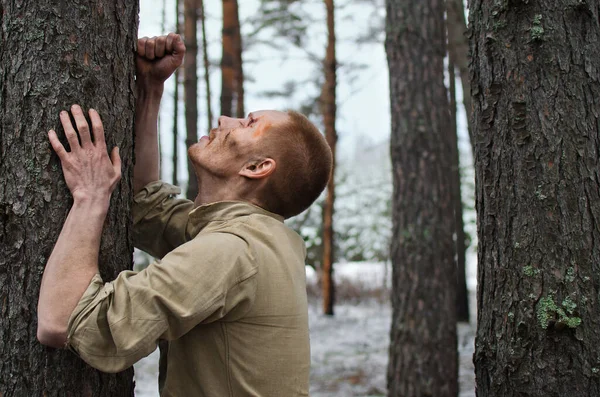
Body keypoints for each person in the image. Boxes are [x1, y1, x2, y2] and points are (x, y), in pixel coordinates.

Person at [37, 33, 332, 396]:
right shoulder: (262, 240)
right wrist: (149, 91)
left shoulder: (231, 252)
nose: (225, 119)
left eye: (248, 123)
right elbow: (146, 207)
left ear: (257, 166)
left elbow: (63, 320)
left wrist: (90, 196)